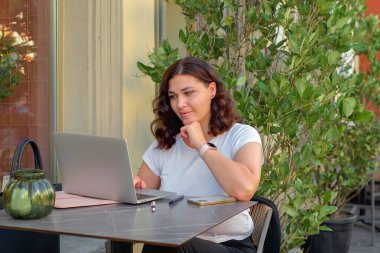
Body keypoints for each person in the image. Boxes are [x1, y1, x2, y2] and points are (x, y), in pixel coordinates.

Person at [134, 56, 263, 253]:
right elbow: (138, 204)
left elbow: (244, 189)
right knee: (162, 243)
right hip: (175, 241)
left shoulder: (242, 135)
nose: (180, 104)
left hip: (228, 246)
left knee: (172, 246)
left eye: (188, 93)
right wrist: (135, 191)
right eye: (173, 96)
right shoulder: (166, 143)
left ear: (211, 90)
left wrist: (201, 146)